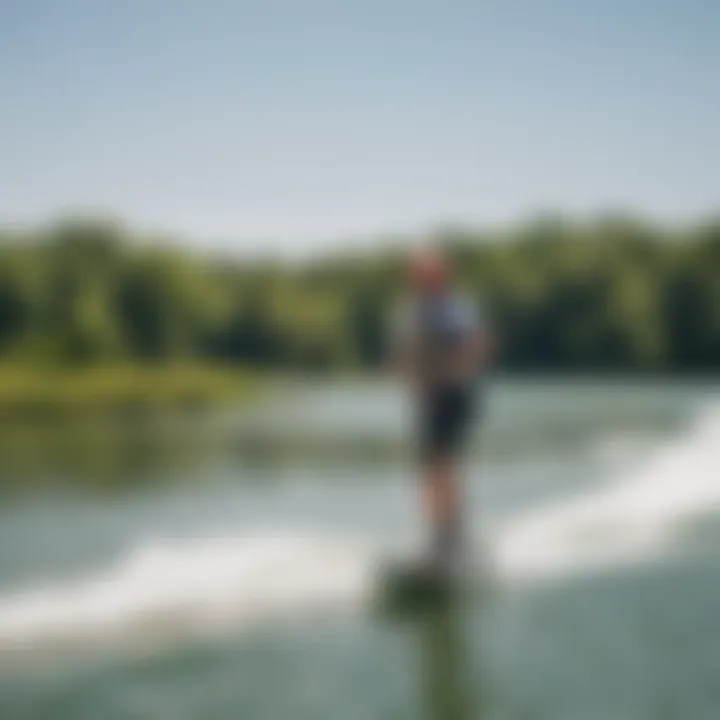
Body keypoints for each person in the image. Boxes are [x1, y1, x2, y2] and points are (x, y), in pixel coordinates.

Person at [389, 246, 492, 574]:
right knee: (430, 469)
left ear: (441, 275)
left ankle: (451, 539)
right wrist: (406, 376)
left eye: (426, 273)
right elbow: (404, 354)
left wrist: (454, 372)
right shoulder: (411, 311)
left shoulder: (454, 309)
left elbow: (476, 345)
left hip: (454, 396)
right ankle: (440, 537)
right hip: (429, 400)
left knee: (442, 464)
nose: (419, 279)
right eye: (416, 274)